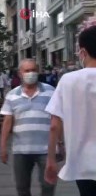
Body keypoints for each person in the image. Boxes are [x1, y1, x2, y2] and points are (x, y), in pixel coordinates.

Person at [44, 25, 96, 196]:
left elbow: (54, 125)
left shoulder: (68, 81)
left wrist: (51, 160)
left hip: (83, 164)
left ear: (82, 52)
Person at [0, 59, 56, 196]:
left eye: (33, 70)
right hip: (21, 150)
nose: (31, 73)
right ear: (20, 73)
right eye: (27, 71)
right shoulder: (12, 95)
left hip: (46, 150)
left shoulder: (50, 91)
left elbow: (57, 119)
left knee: (48, 186)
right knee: (22, 187)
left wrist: (60, 143)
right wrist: (3, 147)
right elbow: (7, 122)